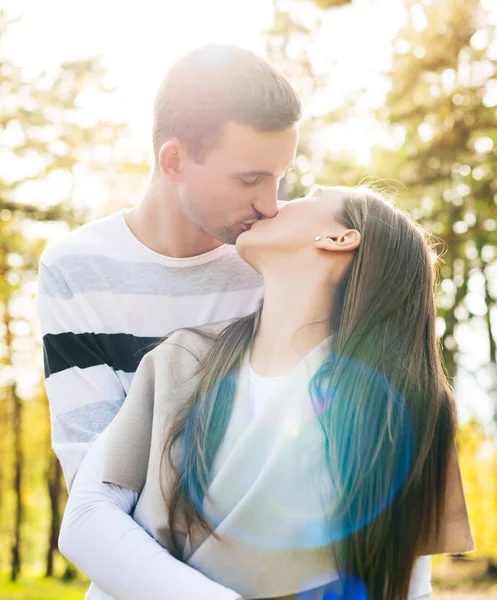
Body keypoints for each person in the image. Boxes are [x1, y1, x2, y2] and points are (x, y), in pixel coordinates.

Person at [59, 185, 474, 600]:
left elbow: (405, 584)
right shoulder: (183, 359)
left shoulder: (402, 409)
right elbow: (86, 520)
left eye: (308, 197)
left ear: (338, 238)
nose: (273, 204)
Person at [37, 44, 301, 491]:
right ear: (174, 160)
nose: (270, 205)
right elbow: (97, 488)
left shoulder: (289, 255)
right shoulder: (76, 271)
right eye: (250, 179)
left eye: (280, 177)